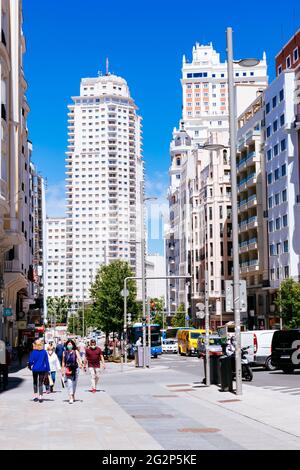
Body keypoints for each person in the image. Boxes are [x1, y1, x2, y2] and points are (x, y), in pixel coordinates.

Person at [61, 339, 83, 404]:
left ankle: (73, 394)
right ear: (66, 345)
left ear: (73, 345)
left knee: (74, 384)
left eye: (70, 344)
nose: (69, 345)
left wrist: (81, 364)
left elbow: (79, 358)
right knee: (69, 383)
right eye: (68, 344)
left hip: (75, 369)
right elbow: (63, 362)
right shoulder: (64, 352)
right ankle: (70, 397)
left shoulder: (75, 351)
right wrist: (62, 369)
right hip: (68, 369)